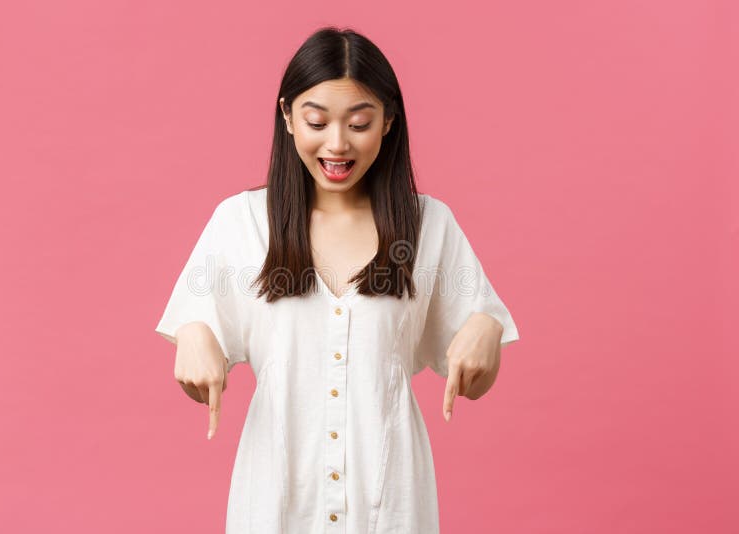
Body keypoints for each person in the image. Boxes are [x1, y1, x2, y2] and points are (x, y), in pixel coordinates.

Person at [154, 26, 520, 534]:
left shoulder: (430, 225)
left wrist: (487, 324)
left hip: (390, 507)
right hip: (275, 507)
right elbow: (199, 378)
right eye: (317, 121)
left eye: (359, 123)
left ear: (389, 121)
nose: (338, 144)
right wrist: (193, 332)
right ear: (287, 117)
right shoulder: (240, 224)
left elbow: (476, 384)